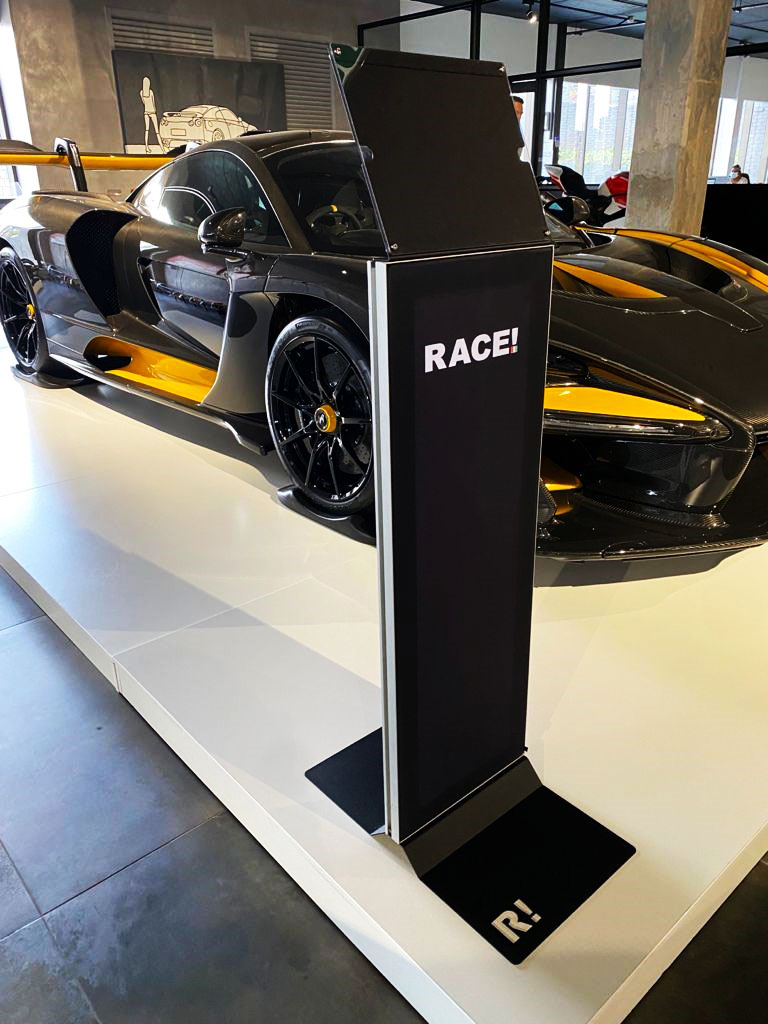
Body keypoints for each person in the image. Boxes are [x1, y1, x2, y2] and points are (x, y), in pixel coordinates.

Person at [140, 76, 160, 153]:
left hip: (146, 112)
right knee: (157, 131)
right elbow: (153, 102)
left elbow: (144, 102)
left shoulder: (141, 93)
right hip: (152, 112)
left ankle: (146, 147)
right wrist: (154, 110)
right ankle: (162, 149)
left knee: (147, 130)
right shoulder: (150, 92)